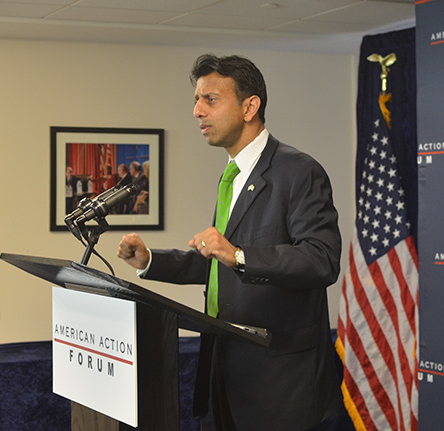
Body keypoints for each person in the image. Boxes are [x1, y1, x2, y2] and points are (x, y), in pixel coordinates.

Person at [117, 54, 342, 431]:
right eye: (196, 100)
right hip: (223, 368)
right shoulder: (233, 174)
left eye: (210, 99)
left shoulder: (299, 171)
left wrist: (237, 254)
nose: (197, 111)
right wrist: (150, 260)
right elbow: (218, 263)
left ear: (250, 106)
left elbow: (321, 260)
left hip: (279, 384)